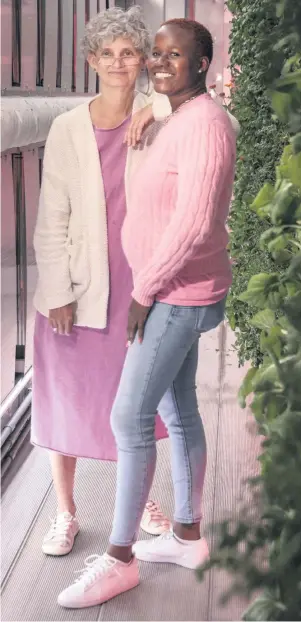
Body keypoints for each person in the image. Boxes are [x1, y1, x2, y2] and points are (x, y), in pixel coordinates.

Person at [58, 18, 237, 609]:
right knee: (178, 410)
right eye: (155, 54)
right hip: (171, 291)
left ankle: (119, 558)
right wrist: (153, 110)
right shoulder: (180, 116)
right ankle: (186, 535)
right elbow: (171, 123)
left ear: (203, 63)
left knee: (129, 418)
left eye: (174, 55)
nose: (160, 64)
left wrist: (144, 290)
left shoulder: (206, 126)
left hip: (175, 296)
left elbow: (194, 225)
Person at [31, 6, 178, 558]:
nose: (118, 63)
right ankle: (65, 513)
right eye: (107, 53)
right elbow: (52, 217)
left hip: (141, 284)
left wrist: (160, 103)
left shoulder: (161, 113)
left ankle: (139, 504)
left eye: (129, 53)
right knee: (64, 399)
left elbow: (212, 110)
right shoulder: (67, 127)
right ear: (91, 60)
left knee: (136, 400)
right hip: (79, 283)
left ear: (142, 60)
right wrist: (58, 293)